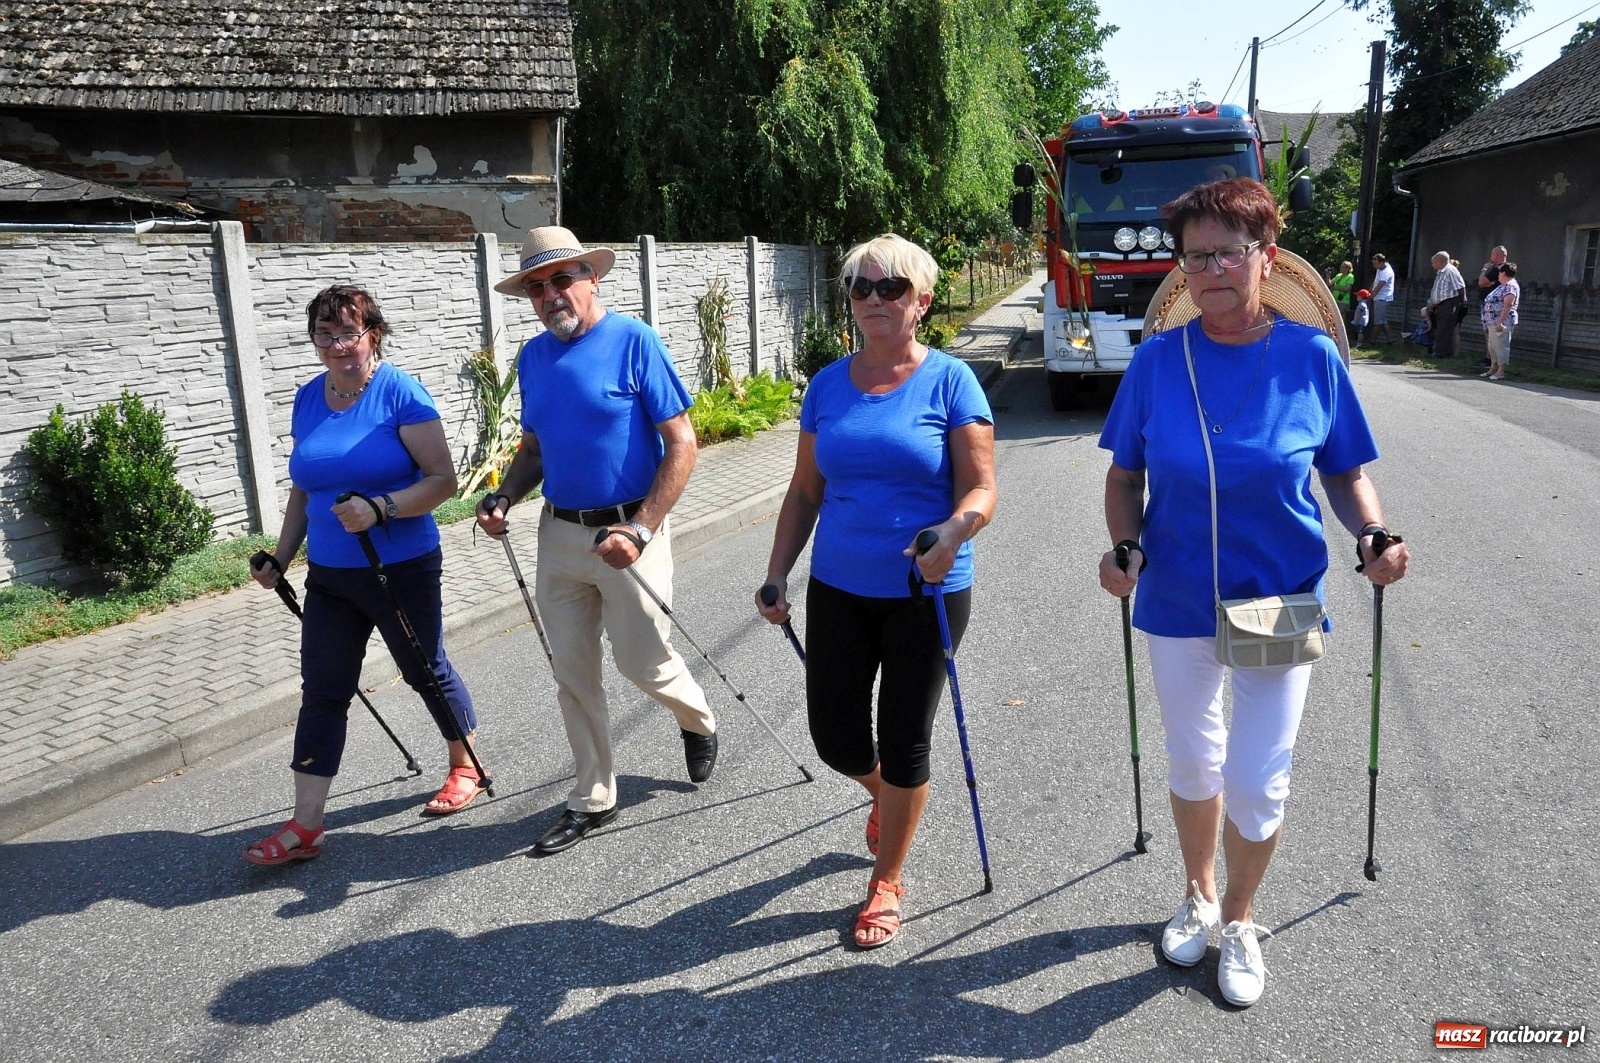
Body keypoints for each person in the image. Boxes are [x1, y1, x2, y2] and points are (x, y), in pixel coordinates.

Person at [1096, 177, 1410, 1007]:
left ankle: (1239, 917)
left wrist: (1371, 534)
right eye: (1196, 256)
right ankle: (1197, 895)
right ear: (1184, 271)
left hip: (1276, 592)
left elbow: (1345, 472)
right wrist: (1124, 544)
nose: (1212, 270)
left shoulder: (1310, 359)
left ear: (1266, 259)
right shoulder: (1160, 360)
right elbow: (1125, 474)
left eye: (1229, 253)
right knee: (1194, 757)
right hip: (1175, 598)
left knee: (1257, 775)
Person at [756, 233, 996, 950]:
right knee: (835, 735)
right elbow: (804, 491)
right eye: (859, 287)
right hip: (838, 585)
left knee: (904, 735)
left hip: (927, 589)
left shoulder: (952, 382)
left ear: (921, 301)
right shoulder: (827, 385)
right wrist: (775, 572)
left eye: (889, 286)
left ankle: (886, 878)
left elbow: (981, 489)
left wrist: (952, 532)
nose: (871, 298)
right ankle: (886, 799)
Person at [476, 226, 718, 856]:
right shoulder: (533, 358)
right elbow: (534, 449)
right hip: (558, 535)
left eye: (561, 279)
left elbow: (683, 442)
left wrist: (640, 529)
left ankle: (696, 717)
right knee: (572, 673)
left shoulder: (633, 341)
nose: (550, 294)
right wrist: (505, 495)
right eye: (537, 286)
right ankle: (593, 795)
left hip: (629, 532)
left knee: (643, 662)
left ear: (591, 277)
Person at [245, 285, 486, 865]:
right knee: (323, 690)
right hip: (330, 573)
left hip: (399, 566)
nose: (337, 345)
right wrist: (281, 557)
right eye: (325, 335)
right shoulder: (308, 398)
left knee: (423, 667)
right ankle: (306, 825)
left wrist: (381, 508)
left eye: (349, 332)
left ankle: (463, 765)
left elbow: (443, 480)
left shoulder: (400, 393)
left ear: (372, 334)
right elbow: (306, 487)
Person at [1480, 261, 1519, 381]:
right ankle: (1493, 367)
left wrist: (1500, 322)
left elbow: (1508, 304)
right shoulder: (1503, 285)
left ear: (1504, 273)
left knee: (1501, 346)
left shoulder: (1510, 286)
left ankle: (1500, 371)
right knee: (1492, 346)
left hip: (1502, 322)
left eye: (1499, 273)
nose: (1497, 275)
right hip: (1492, 321)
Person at [1424, 251, 1467, 358]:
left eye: (1434, 262)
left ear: (1440, 261)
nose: (1432, 265)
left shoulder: (1450, 271)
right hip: (1440, 304)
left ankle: (1443, 353)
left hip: (1450, 302)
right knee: (1439, 328)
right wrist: (1431, 302)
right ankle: (1438, 351)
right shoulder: (1440, 272)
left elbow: (1460, 287)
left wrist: (1463, 302)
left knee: (1444, 329)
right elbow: (1437, 290)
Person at [1474, 246, 1508, 369]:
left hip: (1491, 305)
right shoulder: (1503, 269)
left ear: (1498, 255)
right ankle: (1490, 359)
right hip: (1491, 304)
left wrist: (1484, 269)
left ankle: (1490, 360)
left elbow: (1481, 282)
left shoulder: (1496, 269)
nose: (1490, 257)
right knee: (1488, 332)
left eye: (1492, 255)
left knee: (1489, 332)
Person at [1369, 253, 1396, 343]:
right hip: (1378, 297)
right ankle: (1390, 340)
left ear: (1382, 262)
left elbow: (1379, 287)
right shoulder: (1380, 269)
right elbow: (1376, 281)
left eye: (1375, 264)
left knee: (1378, 321)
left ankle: (1372, 341)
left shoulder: (1387, 272)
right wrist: (1370, 289)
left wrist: (1369, 296)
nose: (1374, 266)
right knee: (1383, 320)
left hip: (1383, 298)